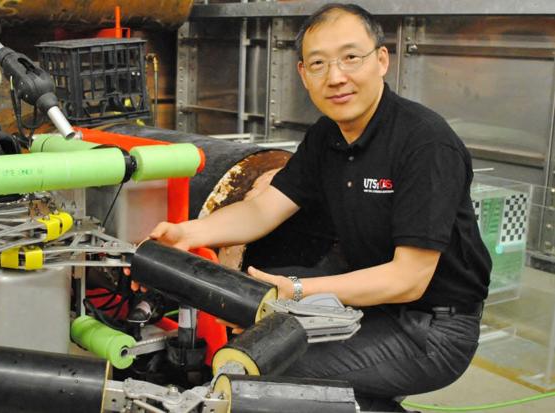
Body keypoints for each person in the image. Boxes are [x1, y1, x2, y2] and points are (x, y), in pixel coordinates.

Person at [144, 3, 491, 408]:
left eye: (350, 58)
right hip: (374, 304)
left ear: (382, 60)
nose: (336, 77)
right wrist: (189, 232)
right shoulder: (328, 135)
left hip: (432, 327)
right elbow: (263, 210)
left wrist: (296, 292)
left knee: (264, 369)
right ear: (303, 74)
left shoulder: (425, 143)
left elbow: (408, 279)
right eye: (319, 63)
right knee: (255, 320)